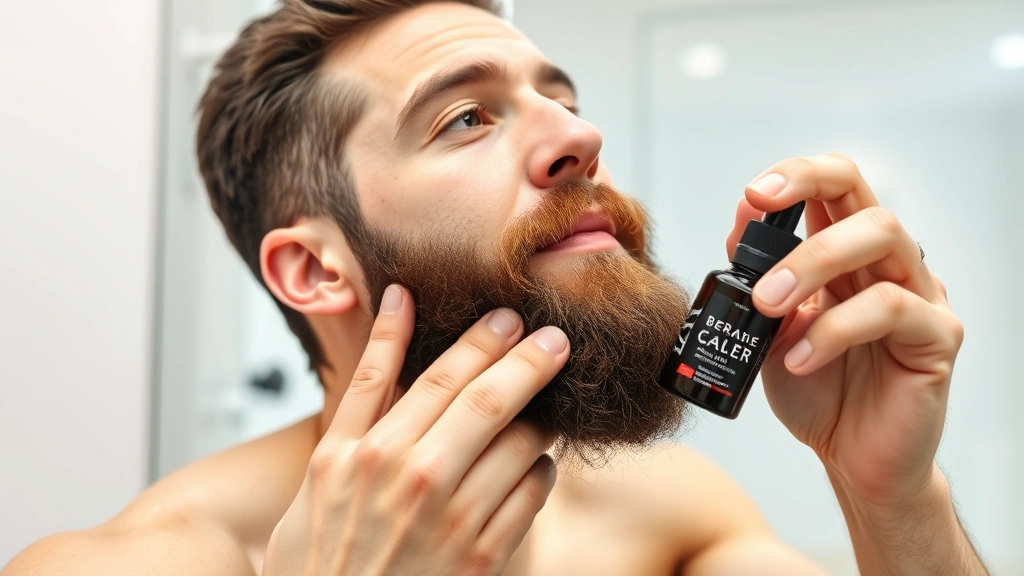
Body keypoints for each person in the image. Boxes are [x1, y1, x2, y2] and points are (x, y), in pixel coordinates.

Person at [3, 1, 988, 574]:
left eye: (560, 103)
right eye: (467, 118)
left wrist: (894, 503)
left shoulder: (663, 514)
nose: (579, 137)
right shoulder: (131, 566)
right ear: (313, 269)